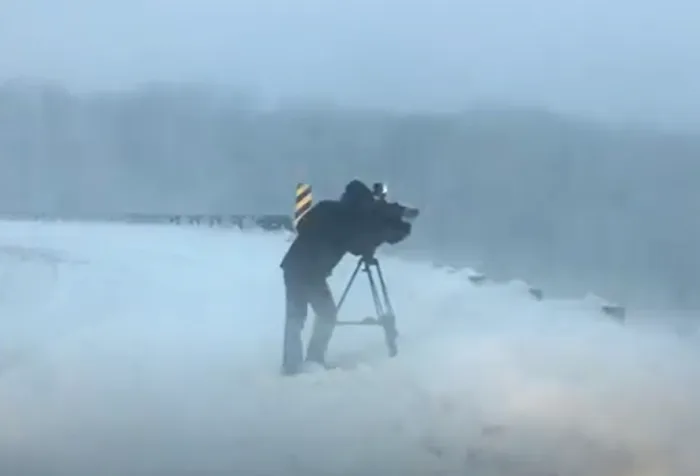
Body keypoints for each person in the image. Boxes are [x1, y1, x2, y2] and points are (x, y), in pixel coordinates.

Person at [279, 179, 414, 376]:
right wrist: (386, 223)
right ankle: (314, 359)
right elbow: (361, 247)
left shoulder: (326, 208)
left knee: (295, 316)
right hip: (311, 273)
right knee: (327, 314)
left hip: (293, 266)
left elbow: (303, 227)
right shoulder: (351, 221)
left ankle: (292, 365)